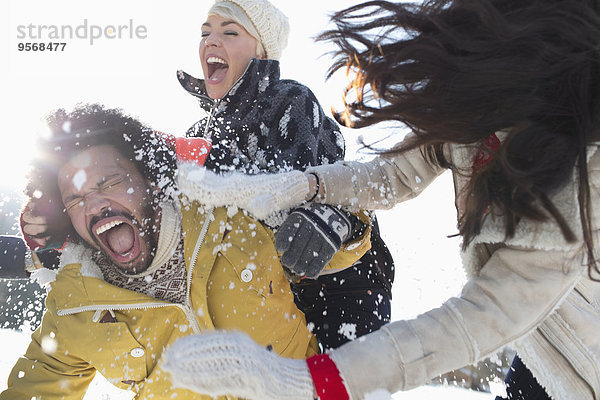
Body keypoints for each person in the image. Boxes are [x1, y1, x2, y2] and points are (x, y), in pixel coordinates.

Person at [160, 0, 600, 399]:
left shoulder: (580, 183)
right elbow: (394, 175)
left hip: (582, 361)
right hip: (545, 348)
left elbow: (476, 320)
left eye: (231, 30)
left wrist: (315, 380)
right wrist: (306, 185)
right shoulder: (478, 115)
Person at [0, 104, 371, 399]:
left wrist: (338, 220)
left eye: (110, 181)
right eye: (75, 198)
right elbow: (33, 390)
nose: (94, 203)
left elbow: (347, 242)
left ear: (148, 179)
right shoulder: (74, 305)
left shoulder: (232, 212)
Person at [176, 0, 395, 349]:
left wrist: (214, 170)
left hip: (343, 279)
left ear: (262, 51)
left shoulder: (289, 100)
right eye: (205, 32)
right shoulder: (200, 133)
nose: (210, 41)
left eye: (229, 31)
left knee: (344, 381)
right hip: (273, 286)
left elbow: (286, 194)